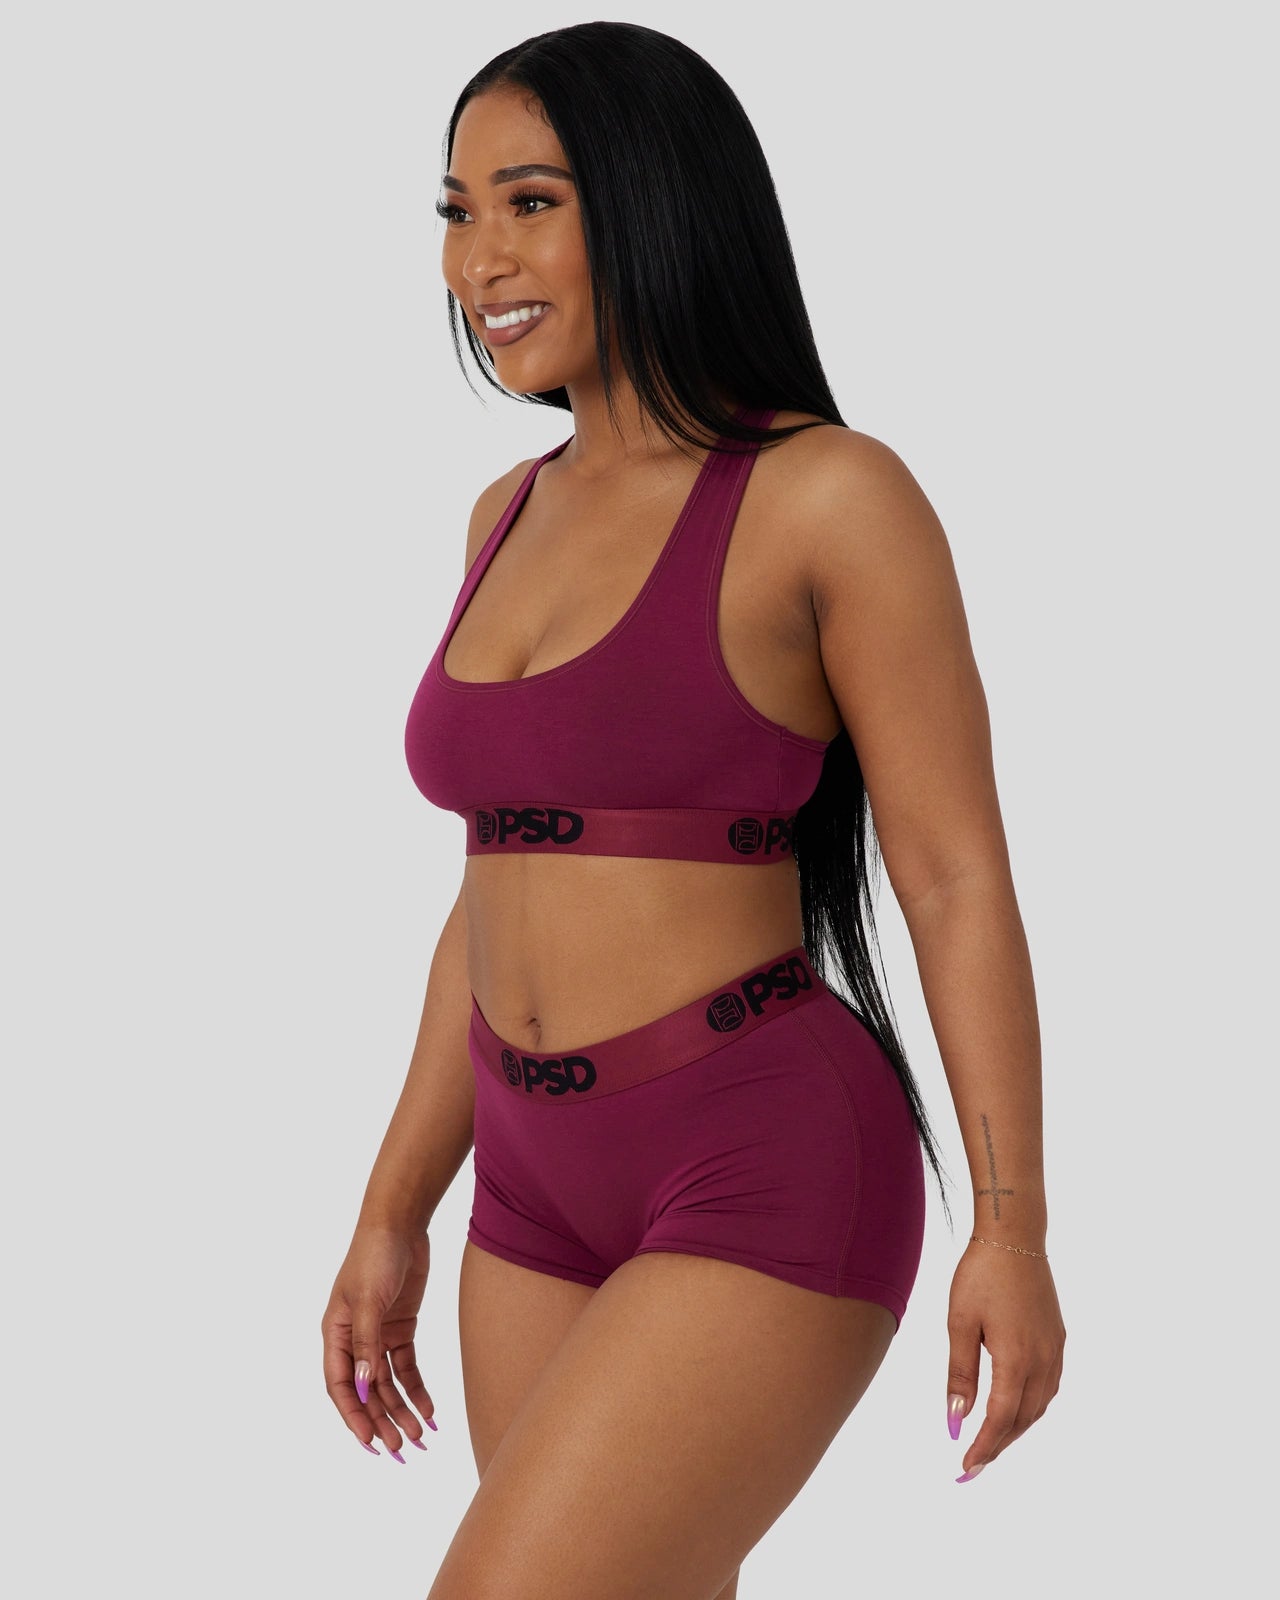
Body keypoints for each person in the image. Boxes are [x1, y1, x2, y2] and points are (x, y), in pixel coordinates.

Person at [321, 20, 1066, 1597]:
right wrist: (395, 1206)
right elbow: (496, 883)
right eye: (455, 212)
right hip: (528, 1185)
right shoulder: (503, 512)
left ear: (656, 205)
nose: (478, 260)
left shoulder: (828, 495)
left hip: (759, 1153)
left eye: (531, 203)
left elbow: (952, 879)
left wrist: (1012, 1226)